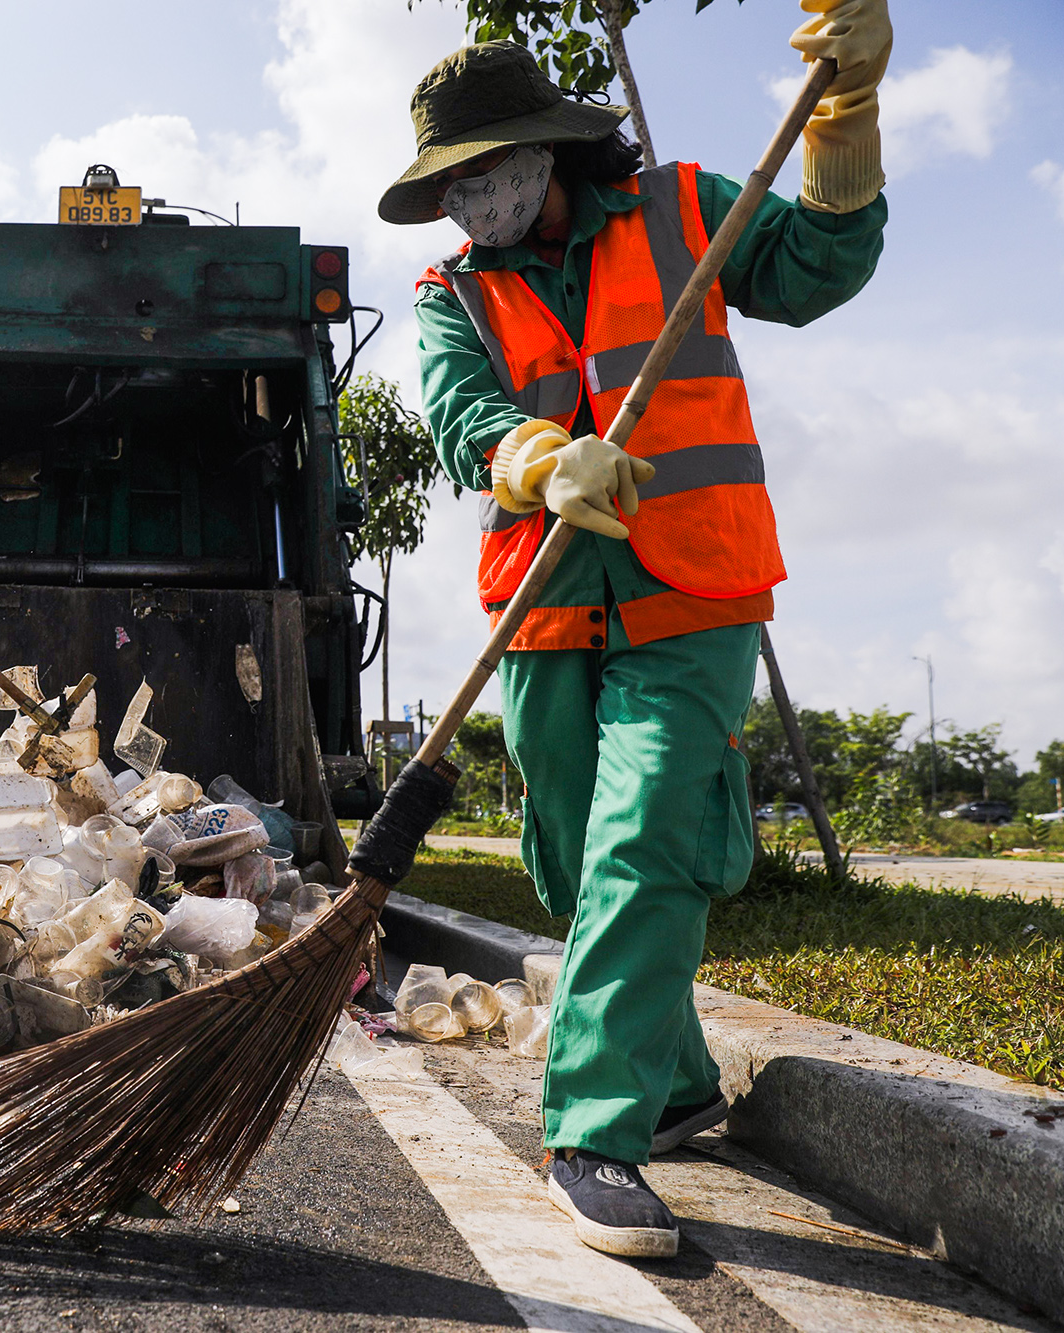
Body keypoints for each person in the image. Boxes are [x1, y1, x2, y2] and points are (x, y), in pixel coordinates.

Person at [380, 0, 888, 1260]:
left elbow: (813, 268)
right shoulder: (448, 290)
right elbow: (456, 414)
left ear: (546, 153)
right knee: (570, 860)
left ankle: (593, 1134)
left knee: (648, 830)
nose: (468, 204)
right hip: (547, 604)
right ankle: (675, 1087)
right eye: (447, 187)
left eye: (482, 175)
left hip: (692, 588)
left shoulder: (679, 209)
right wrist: (538, 458)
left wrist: (846, 116)